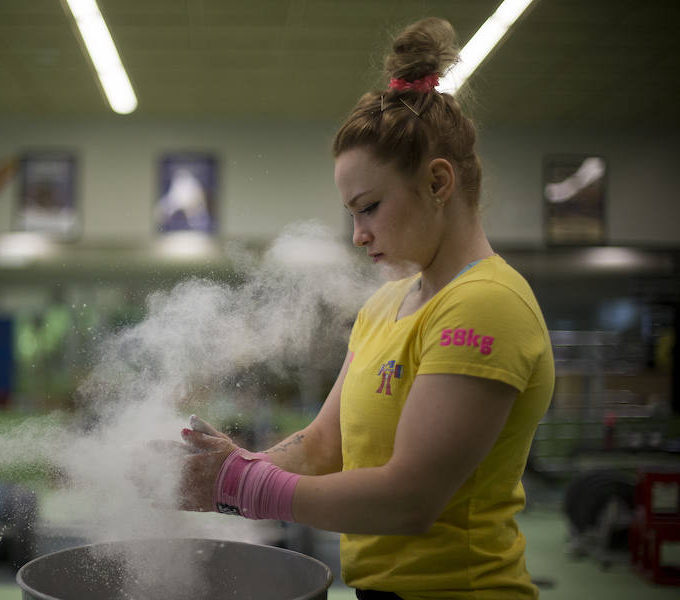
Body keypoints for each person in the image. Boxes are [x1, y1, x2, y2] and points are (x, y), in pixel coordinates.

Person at [176, 17, 555, 600]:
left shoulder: (486, 305)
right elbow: (325, 446)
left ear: (438, 182)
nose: (357, 235)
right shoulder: (386, 305)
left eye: (369, 207)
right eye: (351, 214)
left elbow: (410, 500)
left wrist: (243, 487)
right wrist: (224, 466)